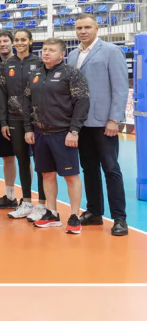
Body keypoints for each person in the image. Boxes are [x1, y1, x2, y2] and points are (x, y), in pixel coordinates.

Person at [68, 14, 129, 236]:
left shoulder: (111, 51)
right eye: (79, 28)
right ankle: (94, 212)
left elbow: (120, 87)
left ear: (97, 28)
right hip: (81, 123)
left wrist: (114, 119)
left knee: (111, 169)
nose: (83, 31)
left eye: (87, 27)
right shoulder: (73, 55)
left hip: (104, 122)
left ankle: (119, 218)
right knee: (89, 168)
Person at [24, 38, 89, 234]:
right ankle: (52, 213)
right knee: (47, 174)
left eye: (51, 50)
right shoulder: (35, 74)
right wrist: (28, 128)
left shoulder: (71, 74)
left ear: (62, 54)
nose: (46, 53)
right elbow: (27, 102)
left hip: (63, 133)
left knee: (70, 176)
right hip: (40, 133)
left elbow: (82, 102)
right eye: (44, 49)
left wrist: (74, 130)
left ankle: (75, 216)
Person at [0, 30, 46, 220]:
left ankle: (42, 204)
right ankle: (26, 202)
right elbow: (1, 94)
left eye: (23, 39)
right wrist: (3, 121)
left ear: (30, 41)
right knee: (22, 160)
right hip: (14, 119)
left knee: (41, 162)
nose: (19, 43)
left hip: (37, 119)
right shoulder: (6, 65)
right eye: (17, 40)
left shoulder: (40, 63)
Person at [0, 30, 19, 210]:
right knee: (8, 157)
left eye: (5, 41)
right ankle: (10, 196)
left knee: (24, 158)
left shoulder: (21, 63)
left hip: (20, 118)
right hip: (1, 118)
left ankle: (27, 197)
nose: (2, 44)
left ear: (12, 43)